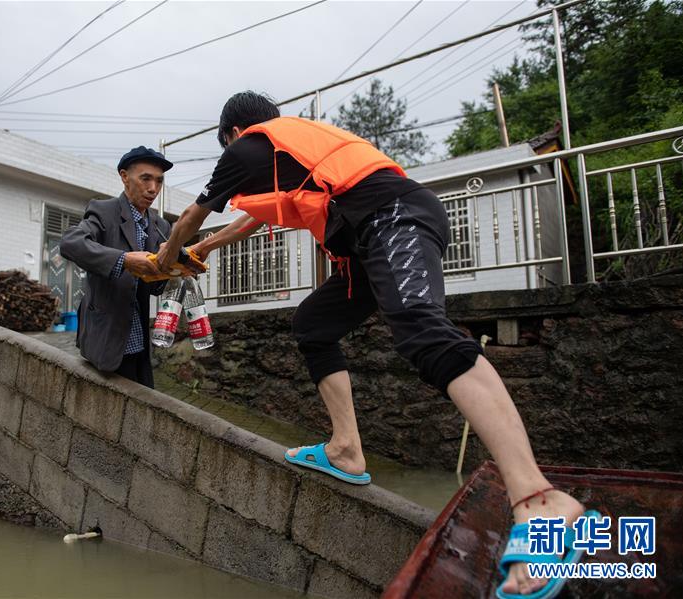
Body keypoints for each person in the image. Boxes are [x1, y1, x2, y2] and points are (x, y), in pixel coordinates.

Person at [156, 91, 593, 598]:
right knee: (314, 324)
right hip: (367, 242)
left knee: (424, 333)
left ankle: (539, 499)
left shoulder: (247, 147)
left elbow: (190, 214)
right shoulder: (286, 149)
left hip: (394, 217)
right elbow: (255, 216)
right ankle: (346, 450)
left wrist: (168, 256)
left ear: (232, 134)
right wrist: (206, 248)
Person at [60, 146, 175, 388]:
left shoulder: (160, 226)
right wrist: (124, 260)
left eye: (159, 181)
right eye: (145, 178)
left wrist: (175, 269)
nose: (153, 188)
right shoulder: (104, 211)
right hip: (106, 336)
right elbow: (71, 242)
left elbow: (155, 287)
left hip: (140, 337)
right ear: (124, 176)